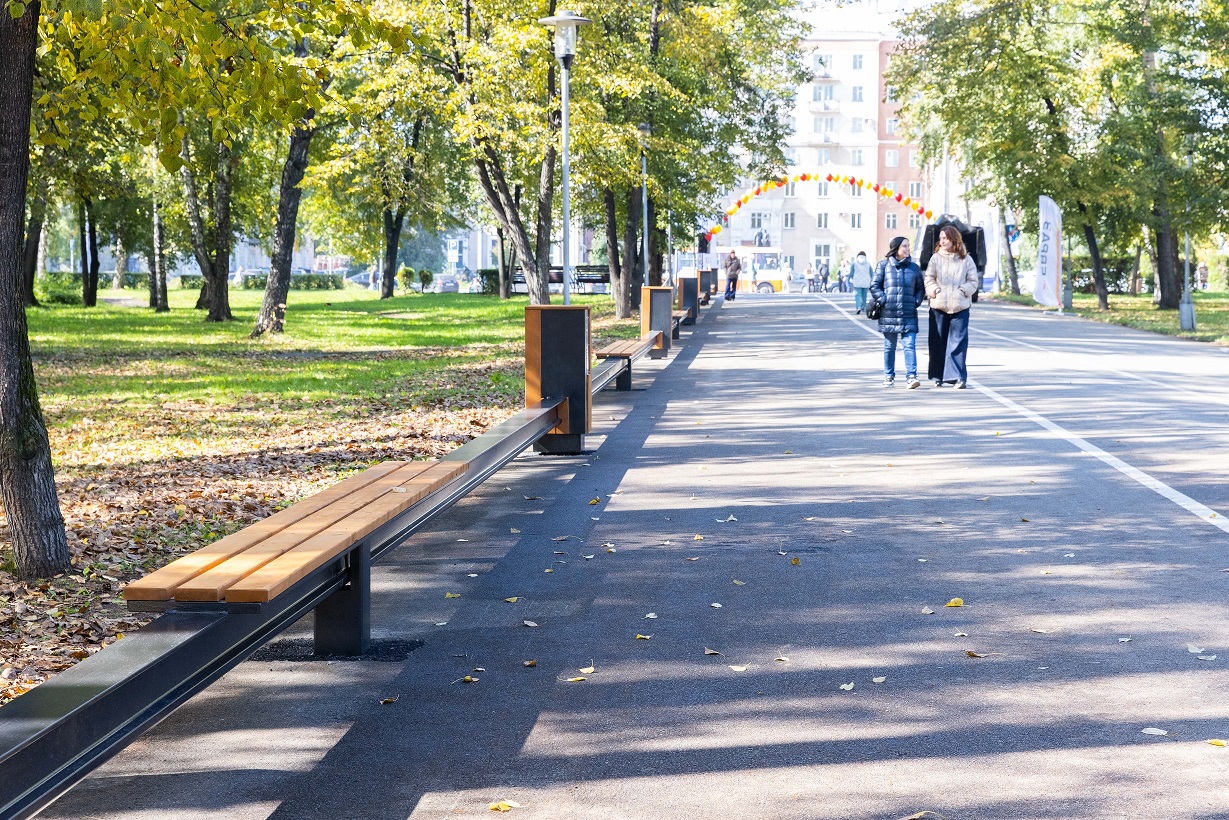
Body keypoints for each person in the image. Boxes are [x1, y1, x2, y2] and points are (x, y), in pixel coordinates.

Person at [924, 224, 980, 389]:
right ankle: (939, 376)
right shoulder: (935, 258)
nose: (942, 241)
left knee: (958, 343)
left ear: (954, 240)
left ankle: (958, 377)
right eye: (940, 238)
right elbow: (929, 278)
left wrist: (963, 291)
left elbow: (973, 281)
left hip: (960, 306)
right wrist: (935, 291)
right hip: (939, 306)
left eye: (945, 238)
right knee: (938, 342)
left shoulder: (966, 259)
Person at [871, 237, 925, 389]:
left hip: (909, 313)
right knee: (890, 346)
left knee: (909, 345)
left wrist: (916, 301)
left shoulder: (914, 268)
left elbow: (920, 288)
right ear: (896, 248)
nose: (908, 249)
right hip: (889, 313)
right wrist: (883, 300)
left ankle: (912, 377)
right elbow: (874, 285)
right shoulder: (883, 266)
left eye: (908, 246)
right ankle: (889, 376)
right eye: (905, 246)